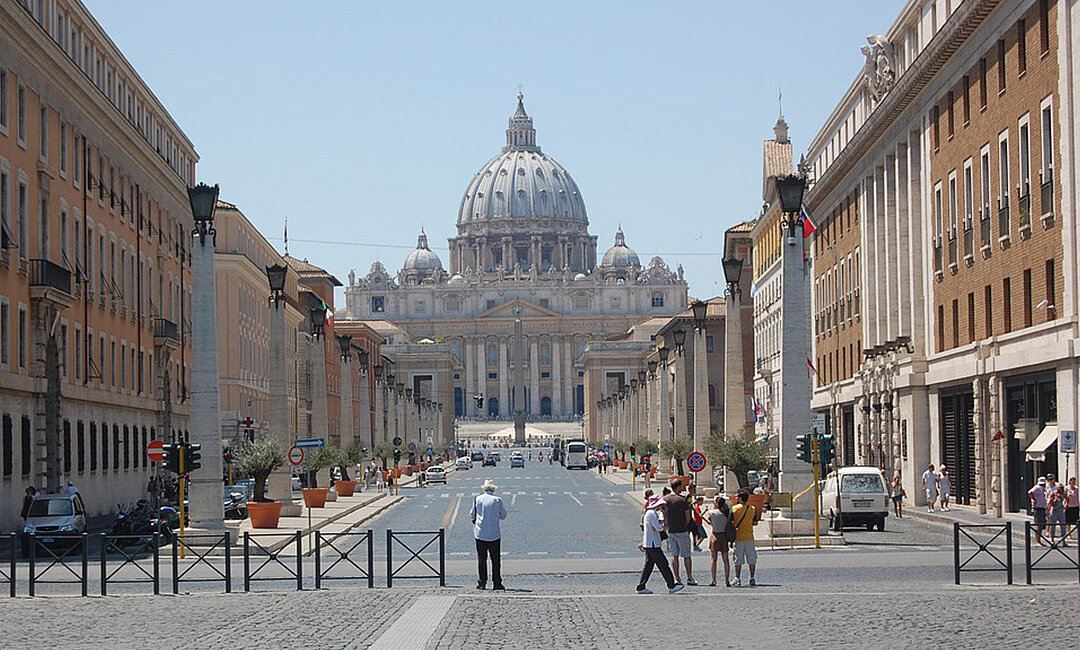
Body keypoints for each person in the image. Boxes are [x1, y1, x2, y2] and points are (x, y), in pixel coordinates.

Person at [636, 495, 683, 594]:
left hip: (650, 544)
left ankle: (641, 586)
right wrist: (663, 525)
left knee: (648, 566)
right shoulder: (652, 514)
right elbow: (658, 528)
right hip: (653, 544)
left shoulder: (650, 513)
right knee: (663, 564)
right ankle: (671, 585)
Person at [470, 478, 508, 590]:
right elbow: (503, 515)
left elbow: (472, 515)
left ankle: (482, 583)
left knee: (482, 559)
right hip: (494, 534)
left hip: (480, 533)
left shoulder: (478, 499)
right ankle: (497, 582)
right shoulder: (497, 500)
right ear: (493, 489)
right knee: (495, 560)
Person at [662, 479, 696, 586]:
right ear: (678, 487)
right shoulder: (682, 500)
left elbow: (662, 513)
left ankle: (677, 578)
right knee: (686, 555)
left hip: (671, 531)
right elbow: (688, 517)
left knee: (674, 555)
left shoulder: (665, 499)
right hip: (682, 530)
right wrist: (684, 525)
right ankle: (689, 577)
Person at [730, 490, 759, 586]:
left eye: (737, 496)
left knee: (738, 559)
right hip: (749, 537)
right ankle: (752, 578)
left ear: (741, 498)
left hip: (738, 537)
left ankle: (737, 578)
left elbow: (730, 522)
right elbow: (755, 522)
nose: (736, 498)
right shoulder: (752, 509)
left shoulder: (734, 509)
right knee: (751, 559)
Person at [703, 495, 732, 587]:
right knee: (726, 560)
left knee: (713, 560)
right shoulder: (727, 513)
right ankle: (727, 580)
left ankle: (714, 580)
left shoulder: (712, 513)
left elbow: (710, 522)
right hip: (724, 536)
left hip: (715, 535)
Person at [1028, 476, 1049, 547]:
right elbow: (1030, 492)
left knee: (1041, 525)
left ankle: (1039, 540)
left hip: (1042, 508)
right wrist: (1034, 500)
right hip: (1038, 508)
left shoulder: (1042, 489)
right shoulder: (1037, 487)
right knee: (1038, 525)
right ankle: (1037, 541)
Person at [1046, 474, 1066, 545]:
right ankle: (1052, 539)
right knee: (1053, 525)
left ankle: (1063, 540)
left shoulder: (1062, 494)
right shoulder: (1053, 494)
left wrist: (1065, 505)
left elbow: (1066, 499)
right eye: (1060, 489)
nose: (1060, 490)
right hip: (1054, 510)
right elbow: (1051, 503)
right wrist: (1056, 498)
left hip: (1061, 511)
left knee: (1063, 526)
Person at [1066, 477, 1079, 542]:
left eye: (1074, 482)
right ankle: (1068, 534)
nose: (1073, 483)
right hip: (1069, 506)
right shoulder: (1067, 488)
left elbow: (1077, 497)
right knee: (1068, 521)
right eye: (1072, 482)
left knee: (1076, 521)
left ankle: (1077, 533)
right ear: (1070, 482)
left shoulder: (1076, 489)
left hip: (1075, 506)